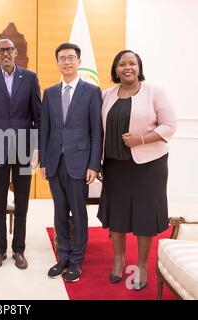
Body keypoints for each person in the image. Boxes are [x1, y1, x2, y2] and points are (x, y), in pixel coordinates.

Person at [97, 50, 176, 290]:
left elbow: (170, 126)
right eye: (122, 64)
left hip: (148, 166)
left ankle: (142, 266)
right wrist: (98, 161)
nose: (127, 67)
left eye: (132, 63)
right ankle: (119, 260)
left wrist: (140, 139)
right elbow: (99, 130)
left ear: (139, 67)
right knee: (118, 215)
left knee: (144, 216)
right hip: (115, 165)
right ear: (116, 69)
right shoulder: (106, 95)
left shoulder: (155, 92)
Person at [40, 43, 103, 282]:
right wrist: (44, 161)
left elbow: (97, 131)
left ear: (78, 61)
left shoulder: (91, 91)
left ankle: (76, 260)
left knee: (78, 213)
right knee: (59, 212)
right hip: (55, 162)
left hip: (80, 162)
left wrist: (93, 165)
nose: (66, 62)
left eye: (71, 58)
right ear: (57, 63)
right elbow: (44, 130)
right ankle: (63, 256)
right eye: (62, 58)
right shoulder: (50, 93)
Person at [0, 38, 41, 270]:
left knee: (22, 202)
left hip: (24, 149)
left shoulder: (30, 78)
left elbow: (38, 116)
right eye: (0, 51)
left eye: (9, 50)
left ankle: (19, 250)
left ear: (15, 52)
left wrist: (36, 147)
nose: (5, 54)